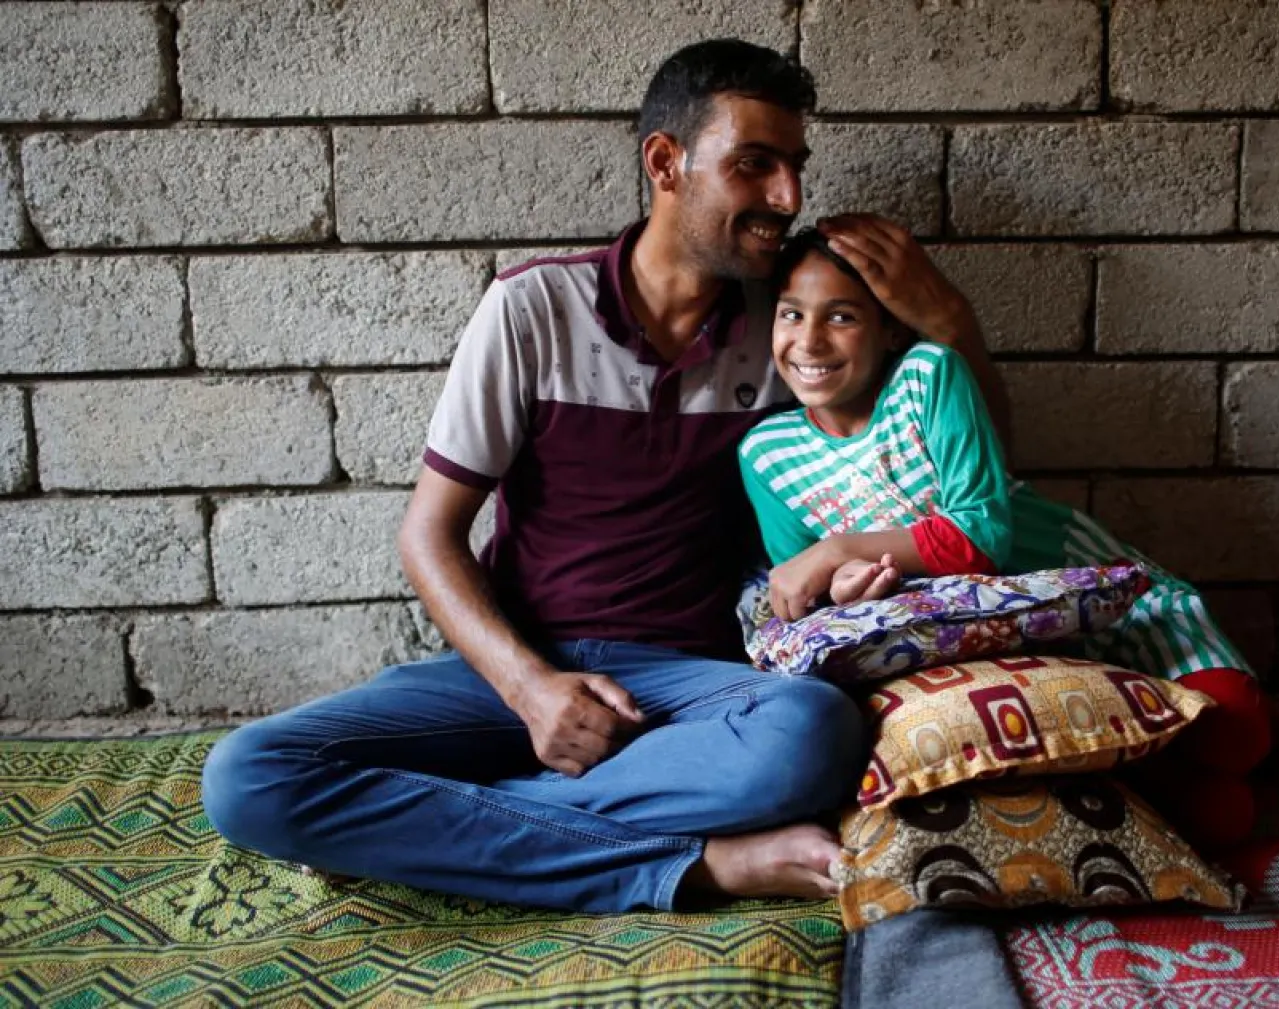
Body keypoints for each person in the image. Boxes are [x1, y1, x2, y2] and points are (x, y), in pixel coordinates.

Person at [199, 39, 1002, 913]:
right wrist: (531, 690)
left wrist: (949, 318)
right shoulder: (533, 310)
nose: (790, 197)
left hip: (691, 689)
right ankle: (693, 862)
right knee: (248, 776)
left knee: (812, 734)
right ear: (666, 163)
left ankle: (455, 828)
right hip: (509, 677)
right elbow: (429, 535)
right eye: (755, 165)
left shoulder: (792, 332)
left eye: (795, 167)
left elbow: (963, 468)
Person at [739, 230, 1274, 849]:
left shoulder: (927, 376)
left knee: (1235, 729)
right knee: (1212, 814)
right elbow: (807, 594)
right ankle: (1167, 781)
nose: (809, 341)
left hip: (1104, 596)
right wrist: (846, 587)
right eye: (791, 315)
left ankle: (1235, 741)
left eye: (842, 316)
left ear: (888, 330)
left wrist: (838, 550)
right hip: (975, 640)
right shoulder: (766, 454)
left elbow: (979, 535)